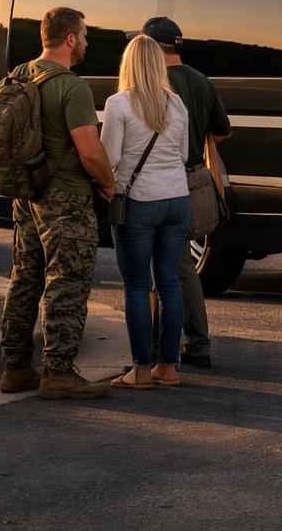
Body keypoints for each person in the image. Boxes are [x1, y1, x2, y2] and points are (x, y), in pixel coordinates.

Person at [0, 6, 117, 401]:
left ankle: (15, 368)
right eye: (83, 36)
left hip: (25, 195)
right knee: (66, 281)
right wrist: (108, 183)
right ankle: (58, 371)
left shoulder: (18, 75)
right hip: (65, 199)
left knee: (25, 278)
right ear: (69, 38)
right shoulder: (72, 86)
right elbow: (90, 151)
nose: (86, 43)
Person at [139, 16, 230, 369]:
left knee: (163, 268)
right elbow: (220, 131)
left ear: (151, 46)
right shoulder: (200, 80)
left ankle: (167, 348)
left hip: (160, 182)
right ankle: (194, 343)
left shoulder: (150, 83)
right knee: (182, 264)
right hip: (193, 179)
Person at [102, 34, 191, 389]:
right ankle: (168, 367)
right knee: (169, 282)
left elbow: (110, 157)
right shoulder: (177, 104)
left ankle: (140, 370)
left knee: (137, 285)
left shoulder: (118, 104)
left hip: (138, 201)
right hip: (177, 199)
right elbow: (184, 154)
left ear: (128, 64)